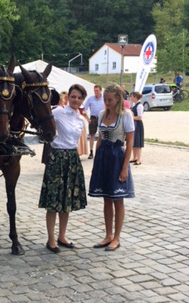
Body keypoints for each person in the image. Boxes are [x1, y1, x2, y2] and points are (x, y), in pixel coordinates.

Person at [39, 84, 87, 253]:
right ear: (68, 98)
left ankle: (62, 236)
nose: (76, 100)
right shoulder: (57, 112)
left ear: (82, 100)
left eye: (79, 98)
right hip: (57, 157)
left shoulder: (81, 119)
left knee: (66, 201)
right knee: (53, 201)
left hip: (72, 159)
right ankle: (51, 239)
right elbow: (42, 124)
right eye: (73, 96)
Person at [88, 84, 135, 252]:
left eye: (110, 99)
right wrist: (95, 161)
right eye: (105, 99)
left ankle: (116, 237)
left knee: (117, 199)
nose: (106, 102)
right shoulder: (101, 114)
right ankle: (108, 235)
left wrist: (125, 168)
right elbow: (100, 137)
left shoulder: (126, 115)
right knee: (106, 198)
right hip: (103, 157)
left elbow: (130, 142)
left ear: (117, 99)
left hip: (117, 156)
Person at [83, 85, 104, 159]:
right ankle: (91, 151)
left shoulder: (104, 99)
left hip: (102, 118)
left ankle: (100, 151)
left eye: (97, 90)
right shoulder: (90, 99)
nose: (96, 92)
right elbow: (84, 109)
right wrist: (87, 119)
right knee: (92, 135)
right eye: (95, 90)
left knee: (102, 135)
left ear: (100, 91)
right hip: (93, 118)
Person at [130, 92, 144, 165]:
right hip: (134, 124)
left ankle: (138, 159)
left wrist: (131, 117)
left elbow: (139, 117)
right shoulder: (134, 105)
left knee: (138, 142)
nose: (131, 98)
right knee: (134, 141)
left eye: (132, 97)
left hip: (138, 124)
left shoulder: (139, 106)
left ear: (135, 97)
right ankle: (134, 157)